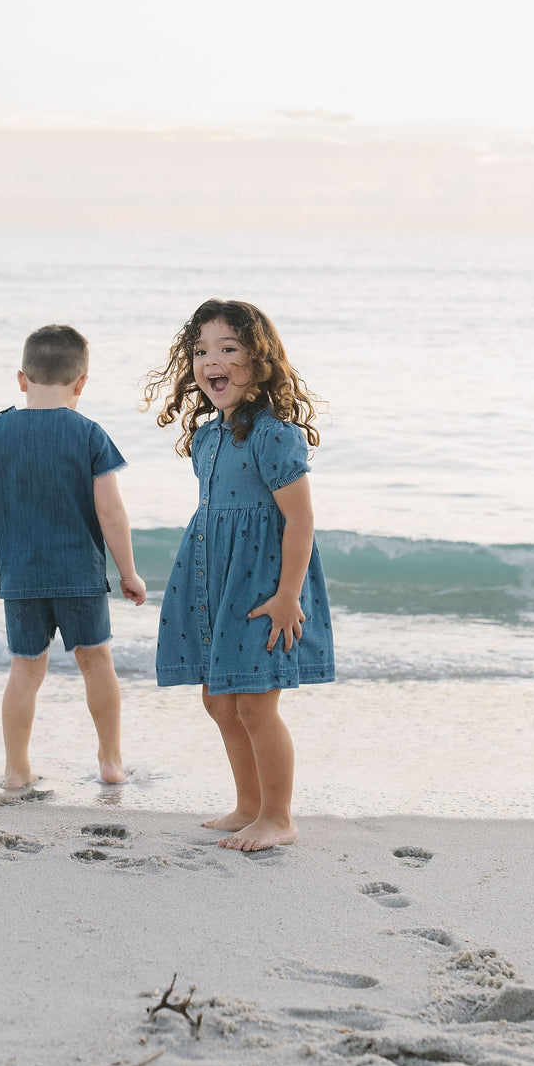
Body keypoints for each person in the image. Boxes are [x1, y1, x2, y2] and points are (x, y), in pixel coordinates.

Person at [144, 299, 334, 850]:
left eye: (228, 349)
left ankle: (279, 816)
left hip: (263, 587)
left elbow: (299, 519)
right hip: (212, 581)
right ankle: (248, 805)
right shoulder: (207, 437)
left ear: (260, 360)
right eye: (201, 351)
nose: (212, 362)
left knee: (255, 701)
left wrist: (287, 597)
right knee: (218, 699)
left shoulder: (275, 435)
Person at [0, 324, 146, 790]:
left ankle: (16, 769)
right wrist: (128, 572)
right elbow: (111, 511)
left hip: (22, 578)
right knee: (97, 664)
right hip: (80, 577)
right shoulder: (90, 434)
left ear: (21, 379)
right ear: (81, 384)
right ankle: (111, 762)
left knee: (26, 669)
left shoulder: (0, 430)